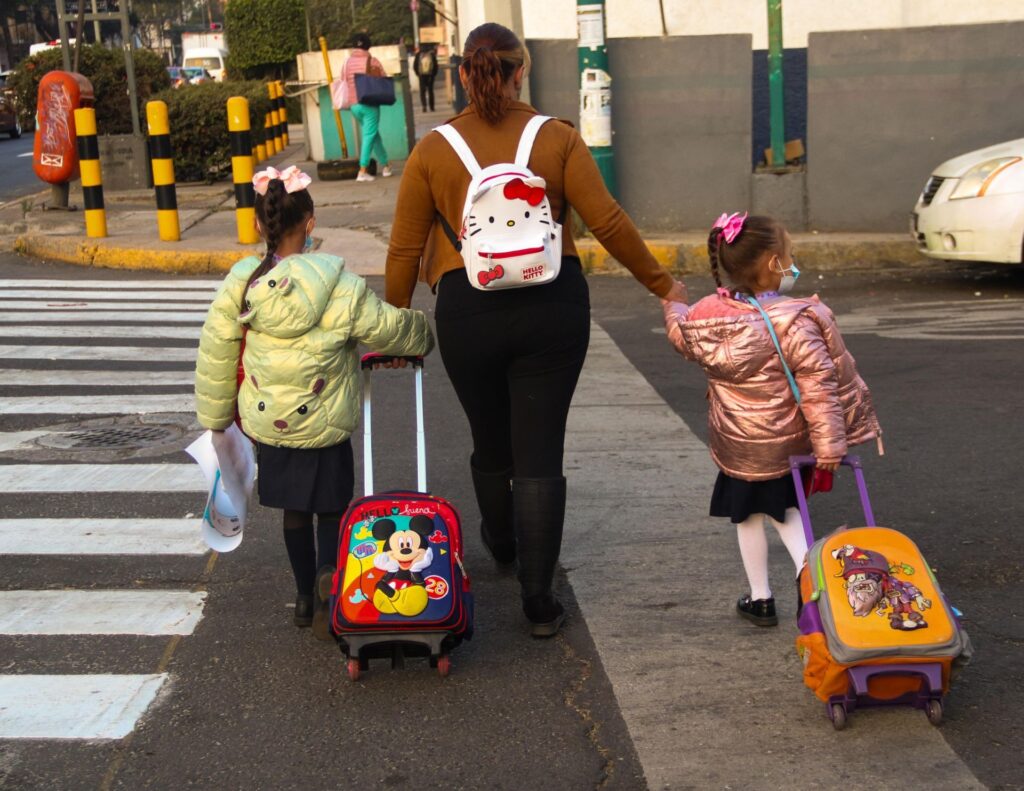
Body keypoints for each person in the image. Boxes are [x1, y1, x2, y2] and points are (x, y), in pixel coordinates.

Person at [384, 22, 687, 638]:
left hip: (467, 310)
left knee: (490, 441)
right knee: (540, 449)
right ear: (520, 72)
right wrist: (664, 286)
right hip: (553, 307)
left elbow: (404, 250)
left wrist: (393, 329)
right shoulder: (557, 138)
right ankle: (539, 600)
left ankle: (501, 543)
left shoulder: (432, 150)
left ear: (463, 74)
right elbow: (608, 222)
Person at [195, 165, 434, 640]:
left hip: (273, 424)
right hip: (326, 422)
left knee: (295, 511)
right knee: (332, 508)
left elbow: (217, 350)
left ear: (260, 225)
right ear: (311, 224)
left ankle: (305, 596)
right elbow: (387, 328)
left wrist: (217, 419)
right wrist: (422, 333)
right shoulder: (338, 283)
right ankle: (331, 581)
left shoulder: (243, 282)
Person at [662, 213, 882, 627]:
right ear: (772, 263)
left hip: (736, 446)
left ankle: (760, 598)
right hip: (784, 444)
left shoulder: (705, 317)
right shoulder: (793, 320)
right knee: (788, 514)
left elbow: (680, 335)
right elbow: (819, 385)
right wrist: (830, 445)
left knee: (747, 516)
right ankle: (814, 592)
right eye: (790, 256)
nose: (793, 264)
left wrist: (672, 301)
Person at [341, 33, 392, 183]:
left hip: (354, 106)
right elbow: (383, 77)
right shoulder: (373, 61)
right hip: (370, 104)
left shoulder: (347, 63)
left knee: (373, 134)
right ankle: (362, 171)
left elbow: (343, 80)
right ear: (368, 46)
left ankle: (386, 165)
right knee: (369, 135)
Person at [414, 44, 439, 112]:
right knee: (430, 91)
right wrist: (433, 74)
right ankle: (432, 107)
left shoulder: (418, 55)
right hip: (430, 75)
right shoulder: (432, 54)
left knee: (422, 92)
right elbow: (436, 65)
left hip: (421, 75)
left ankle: (424, 106)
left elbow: (415, 65)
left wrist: (418, 74)